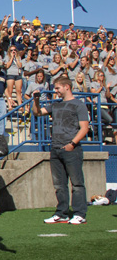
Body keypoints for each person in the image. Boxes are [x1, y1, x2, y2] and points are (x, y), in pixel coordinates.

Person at [32, 77, 89, 225]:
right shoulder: (55, 105)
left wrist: (72, 143)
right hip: (55, 148)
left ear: (66, 87)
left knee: (76, 183)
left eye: (57, 88)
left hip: (71, 149)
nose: (55, 91)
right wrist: (36, 100)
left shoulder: (78, 105)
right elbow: (37, 113)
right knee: (59, 184)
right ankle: (62, 213)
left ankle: (79, 213)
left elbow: (84, 128)